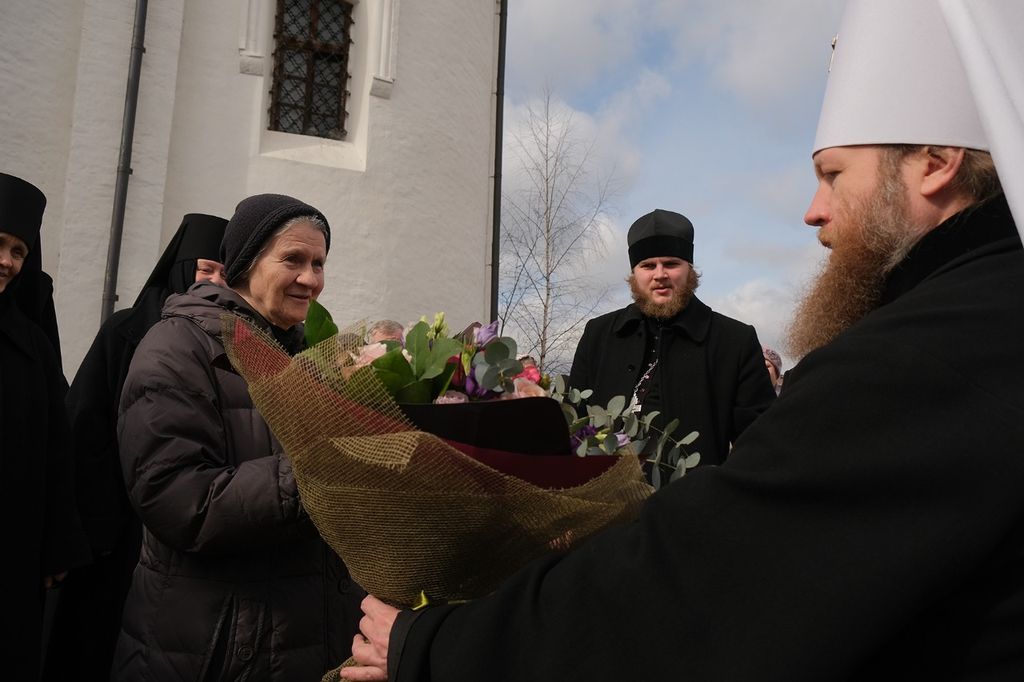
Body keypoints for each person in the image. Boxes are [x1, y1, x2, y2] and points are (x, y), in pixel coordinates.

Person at [340, 2, 1024, 680]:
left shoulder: (915, 351)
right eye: (649, 265)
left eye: (834, 174)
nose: (813, 210)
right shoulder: (603, 335)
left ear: (936, 163)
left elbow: (728, 558)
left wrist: (443, 647)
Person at [112, 194, 362, 680]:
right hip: (217, 646)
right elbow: (178, 499)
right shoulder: (178, 347)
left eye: (319, 263)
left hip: (302, 641)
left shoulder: (306, 358)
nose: (311, 279)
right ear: (246, 263)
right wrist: (324, 469)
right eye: (293, 259)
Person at [42, 213, 228, 682]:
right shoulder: (125, 330)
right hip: (113, 525)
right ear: (181, 268)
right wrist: (89, 528)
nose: (214, 282)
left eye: (225, 274)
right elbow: (85, 426)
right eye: (205, 269)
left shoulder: (229, 342)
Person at [568, 208, 776, 472]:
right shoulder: (599, 334)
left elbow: (759, 444)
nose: (660, 275)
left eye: (671, 264)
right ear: (634, 274)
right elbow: (574, 423)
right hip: (605, 492)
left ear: (690, 270)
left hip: (694, 495)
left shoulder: (734, 341)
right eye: (648, 266)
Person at [0, 172, 90, 680]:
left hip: (11, 552)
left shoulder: (30, 347)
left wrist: (56, 546)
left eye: (19, 251)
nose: (7, 262)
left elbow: (57, 451)